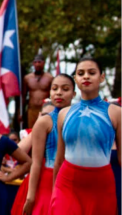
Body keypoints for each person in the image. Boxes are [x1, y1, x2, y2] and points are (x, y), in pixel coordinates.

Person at [50, 57, 121, 215]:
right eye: (81, 73)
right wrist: (54, 192)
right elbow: (59, 159)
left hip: (101, 184)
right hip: (67, 183)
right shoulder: (64, 114)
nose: (86, 76)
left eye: (92, 72)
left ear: (102, 77)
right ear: (75, 78)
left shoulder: (116, 113)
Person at [18, 74, 76, 215]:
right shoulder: (44, 122)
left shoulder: (79, 119)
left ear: (74, 93)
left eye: (65, 89)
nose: (59, 92)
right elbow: (36, 163)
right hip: (47, 182)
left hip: (74, 179)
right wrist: (30, 197)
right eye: (54, 88)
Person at [23, 54, 53, 128]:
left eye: (39, 62)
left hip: (45, 109)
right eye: (35, 62)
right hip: (31, 109)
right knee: (31, 130)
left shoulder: (50, 78)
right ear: (33, 63)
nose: (37, 64)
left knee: (45, 129)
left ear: (43, 63)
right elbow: (23, 96)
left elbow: (52, 95)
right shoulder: (27, 78)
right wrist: (20, 112)